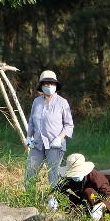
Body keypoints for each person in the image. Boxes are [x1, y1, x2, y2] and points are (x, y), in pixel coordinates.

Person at [26, 69, 74, 208]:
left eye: (51, 83)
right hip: (37, 143)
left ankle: (54, 201)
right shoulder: (37, 102)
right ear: (41, 86)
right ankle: (29, 200)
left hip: (55, 145)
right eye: (46, 83)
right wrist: (29, 137)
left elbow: (69, 124)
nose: (48, 86)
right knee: (30, 171)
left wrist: (60, 138)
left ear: (55, 85)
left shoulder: (62, 102)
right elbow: (31, 121)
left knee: (53, 174)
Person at [54, 153, 110, 221]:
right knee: (61, 194)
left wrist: (100, 206)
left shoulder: (95, 177)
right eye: (73, 174)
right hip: (84, 204)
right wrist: (52, 198)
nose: (75, 176)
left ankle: (100, 220)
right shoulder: (69, 178)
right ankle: (79, 216)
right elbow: (58, 189)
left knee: (88, 191)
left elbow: (109, 195)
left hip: (100, 206)